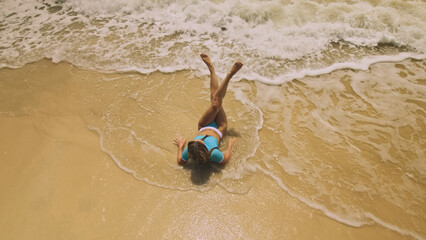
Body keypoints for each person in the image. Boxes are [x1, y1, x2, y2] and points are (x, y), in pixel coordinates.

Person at [173, 53, 243, 165]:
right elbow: (225, 160)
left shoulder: (190, 150)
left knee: (215, 101)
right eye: (199, 141)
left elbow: (180, 161)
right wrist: (230, 145)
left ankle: (212, 69)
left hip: (203, 126)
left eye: (193, 141)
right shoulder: (214, 154)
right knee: (216, 102)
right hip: (220, 129)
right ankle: (229, 75)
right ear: (205, 149)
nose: (195, 140)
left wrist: (181, 147)